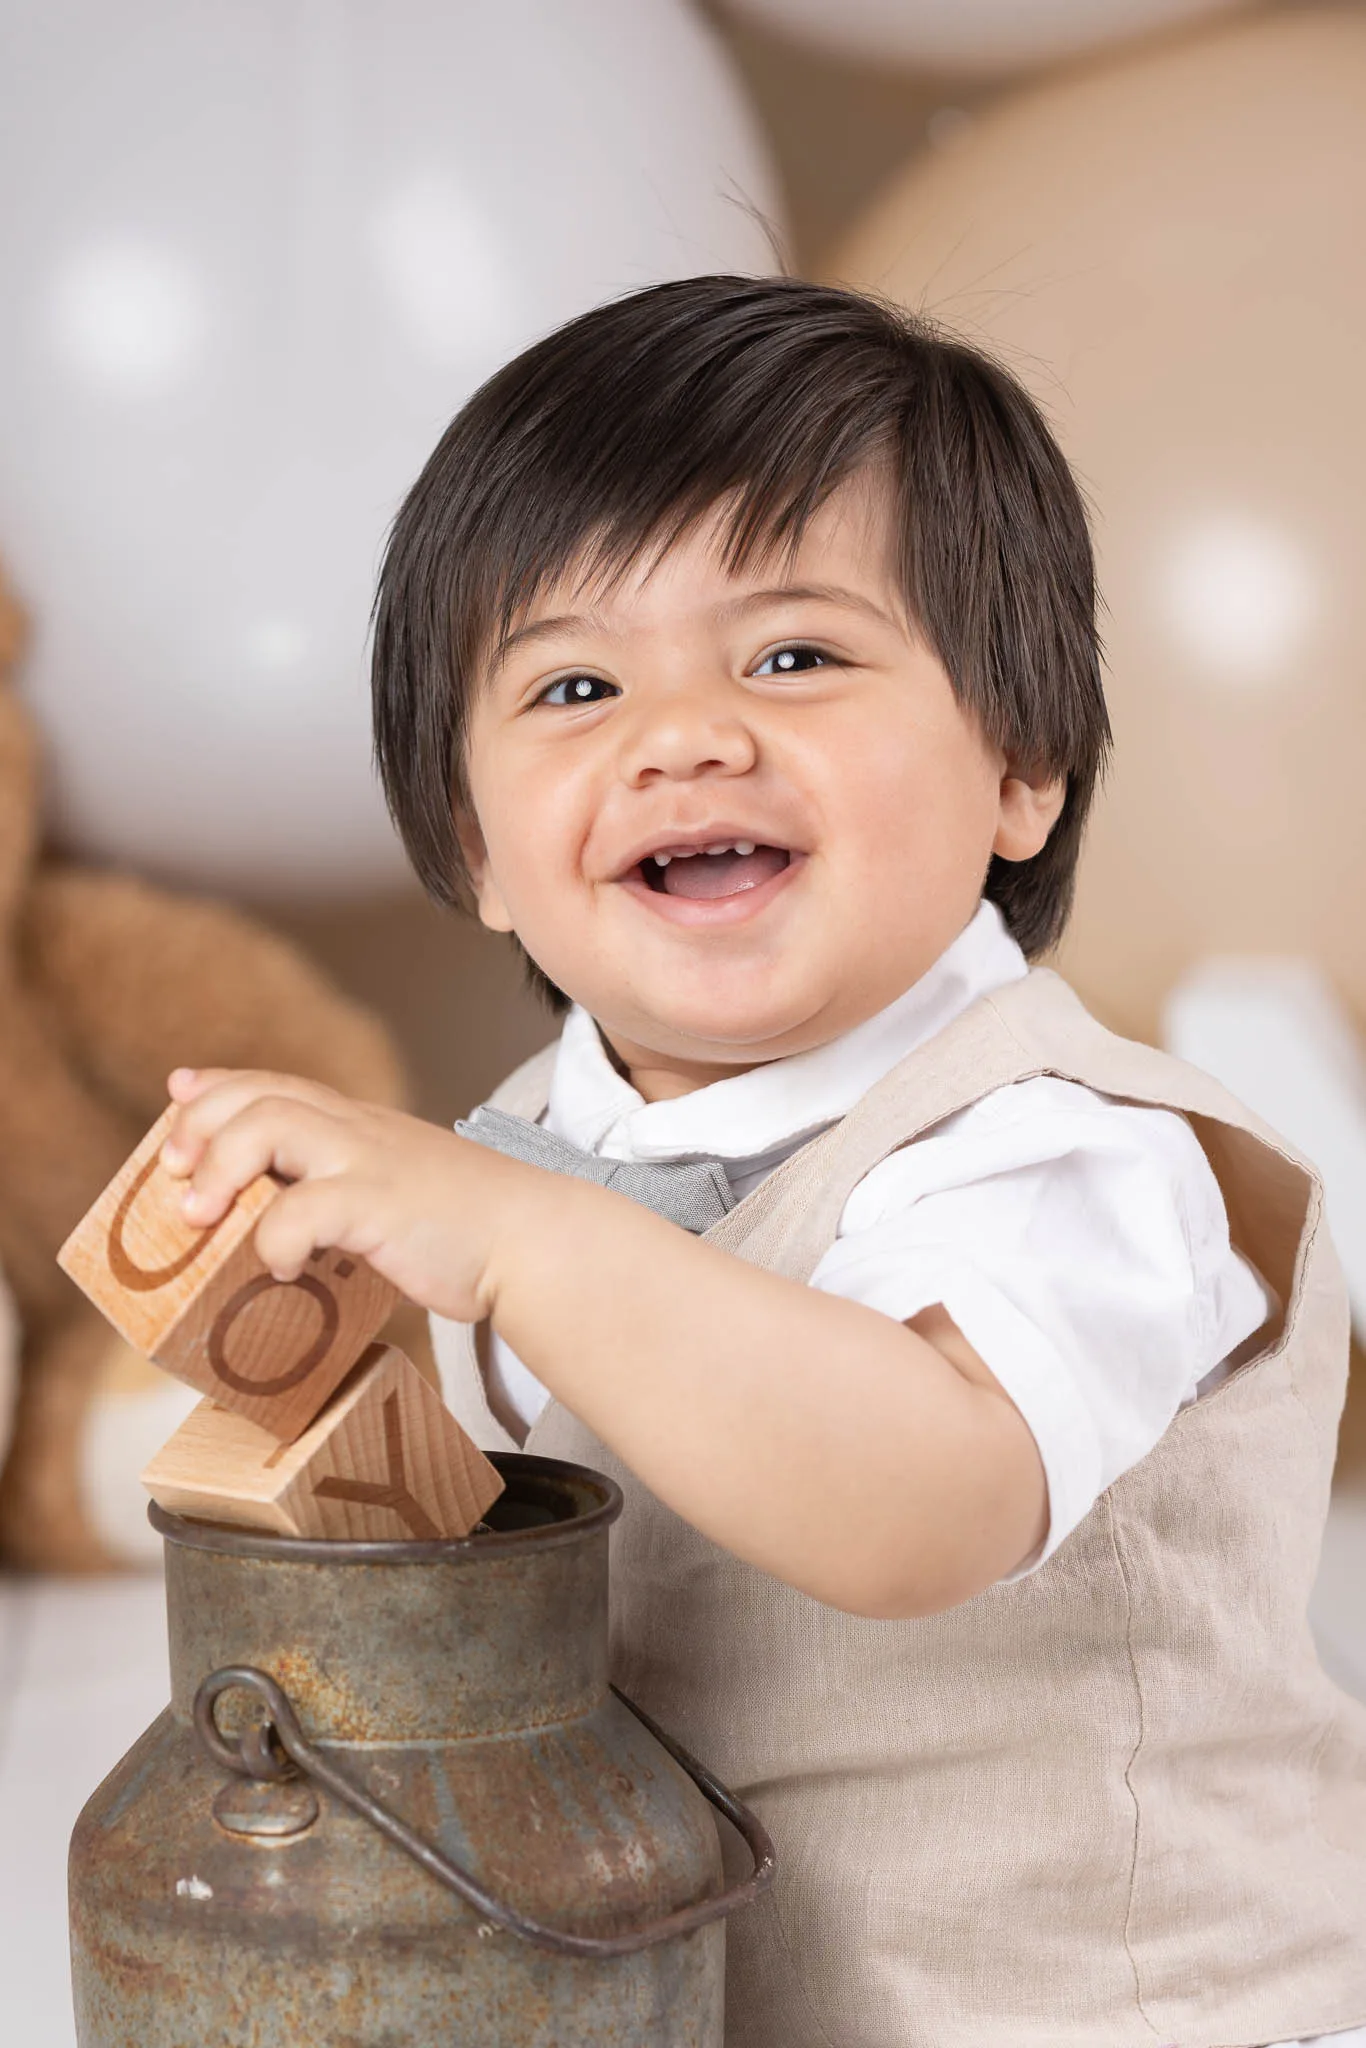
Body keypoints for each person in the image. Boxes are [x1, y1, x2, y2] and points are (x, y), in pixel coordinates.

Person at [159, 277, 1366, 2047]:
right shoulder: (523, 1150)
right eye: (575, 683)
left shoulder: (1069, 1153)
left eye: (793, 656)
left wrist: (522, 1248)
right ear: (474, 845)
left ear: (1019, 764)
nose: (682, 735)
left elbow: (916, 1505)